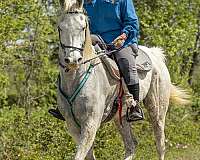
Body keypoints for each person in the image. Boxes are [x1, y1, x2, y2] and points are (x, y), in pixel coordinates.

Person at [49, 0, 144, 122]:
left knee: (126, 63)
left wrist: (124, 35)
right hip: (96, 40)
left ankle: (134, 106)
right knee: (70, 60)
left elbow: (132, 21)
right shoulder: (86, 2)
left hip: (121, 41)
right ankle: (64, 106)